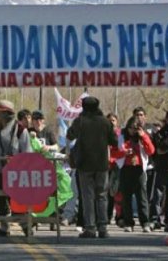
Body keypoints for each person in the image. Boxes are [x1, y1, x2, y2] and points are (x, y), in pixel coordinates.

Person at [66, 96, 117, 238]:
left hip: (84, 164)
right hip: (102, 164)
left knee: (87, 196)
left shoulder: (80, 121)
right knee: (102, 196)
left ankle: (90, 228)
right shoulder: (105, 122)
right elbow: (114, 141)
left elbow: (69, 135)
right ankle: (103, 227)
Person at [0, 100, 31, 237]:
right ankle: (4, 228)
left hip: (15, 172)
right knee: (0, 199)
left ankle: (26, 227)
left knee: (16, 200)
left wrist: (16, 161)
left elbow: (27, 152)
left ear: (6, 114)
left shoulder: (20, 129)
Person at [111, 116, 155, 233]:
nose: (132, 131)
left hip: (139, 169)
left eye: (135, 128)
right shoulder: (121, 137)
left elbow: (151, 151)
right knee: (126, 197)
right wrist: (124, 152)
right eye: (131, 128)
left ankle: (145, 222)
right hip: (125, 168)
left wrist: (143, 136)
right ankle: (128, 222)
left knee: (142, 197)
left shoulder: (142, 137)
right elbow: (113, 153)